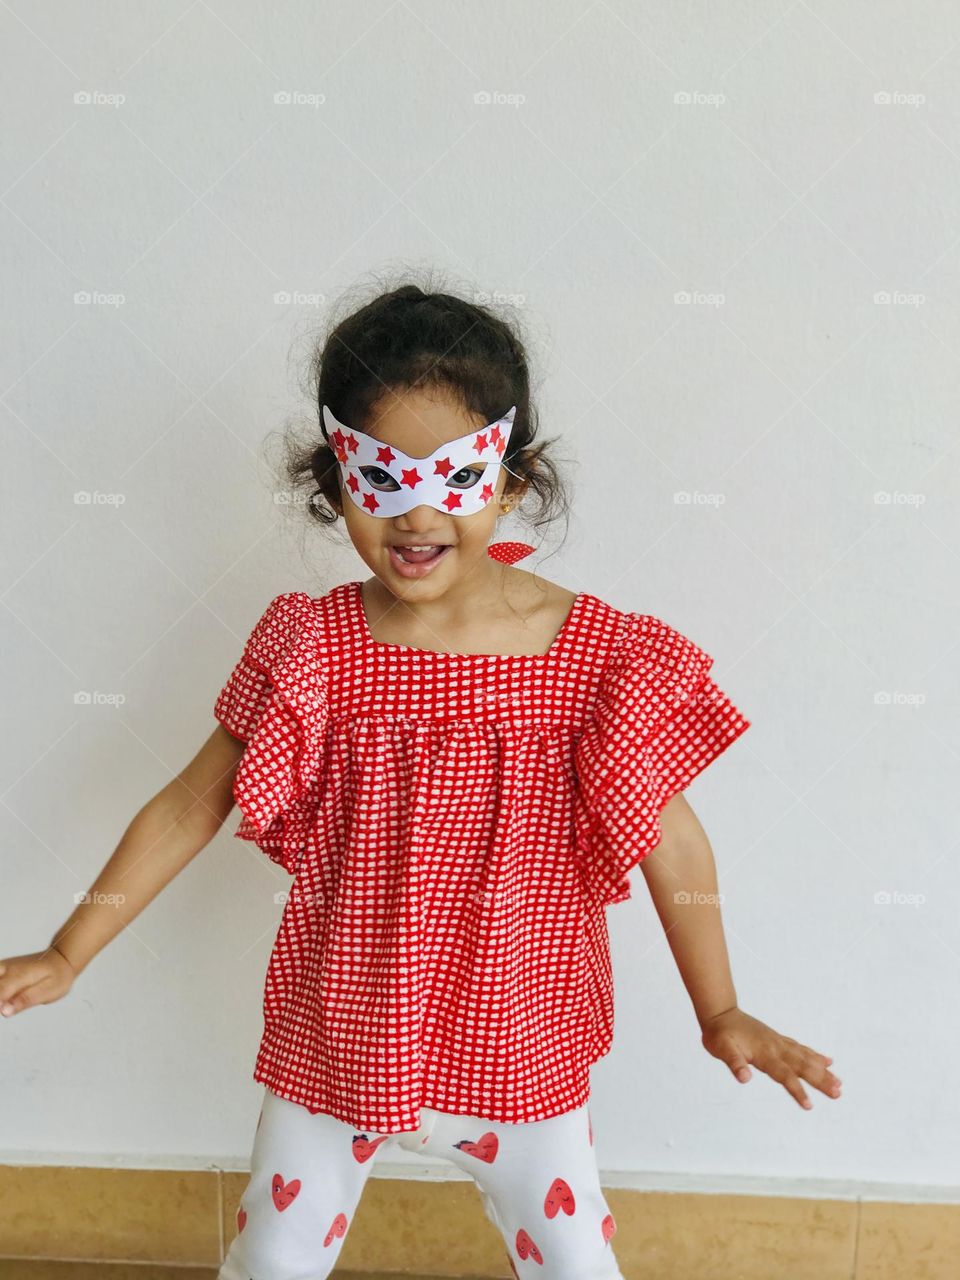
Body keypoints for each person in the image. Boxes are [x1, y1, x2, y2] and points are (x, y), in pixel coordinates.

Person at [0, 282, 842, 1279]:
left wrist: (721, 1007)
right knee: (271, 1262)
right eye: (379, 479)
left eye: (455, 478)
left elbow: (676, 837)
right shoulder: (313, 647)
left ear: (513, 481)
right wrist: (68, 949)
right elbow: (192, 802)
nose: (416, 512)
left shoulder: (592, 659)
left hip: (519, 1050)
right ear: (334, 480)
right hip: (339, 1042)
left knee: (575, 1264)